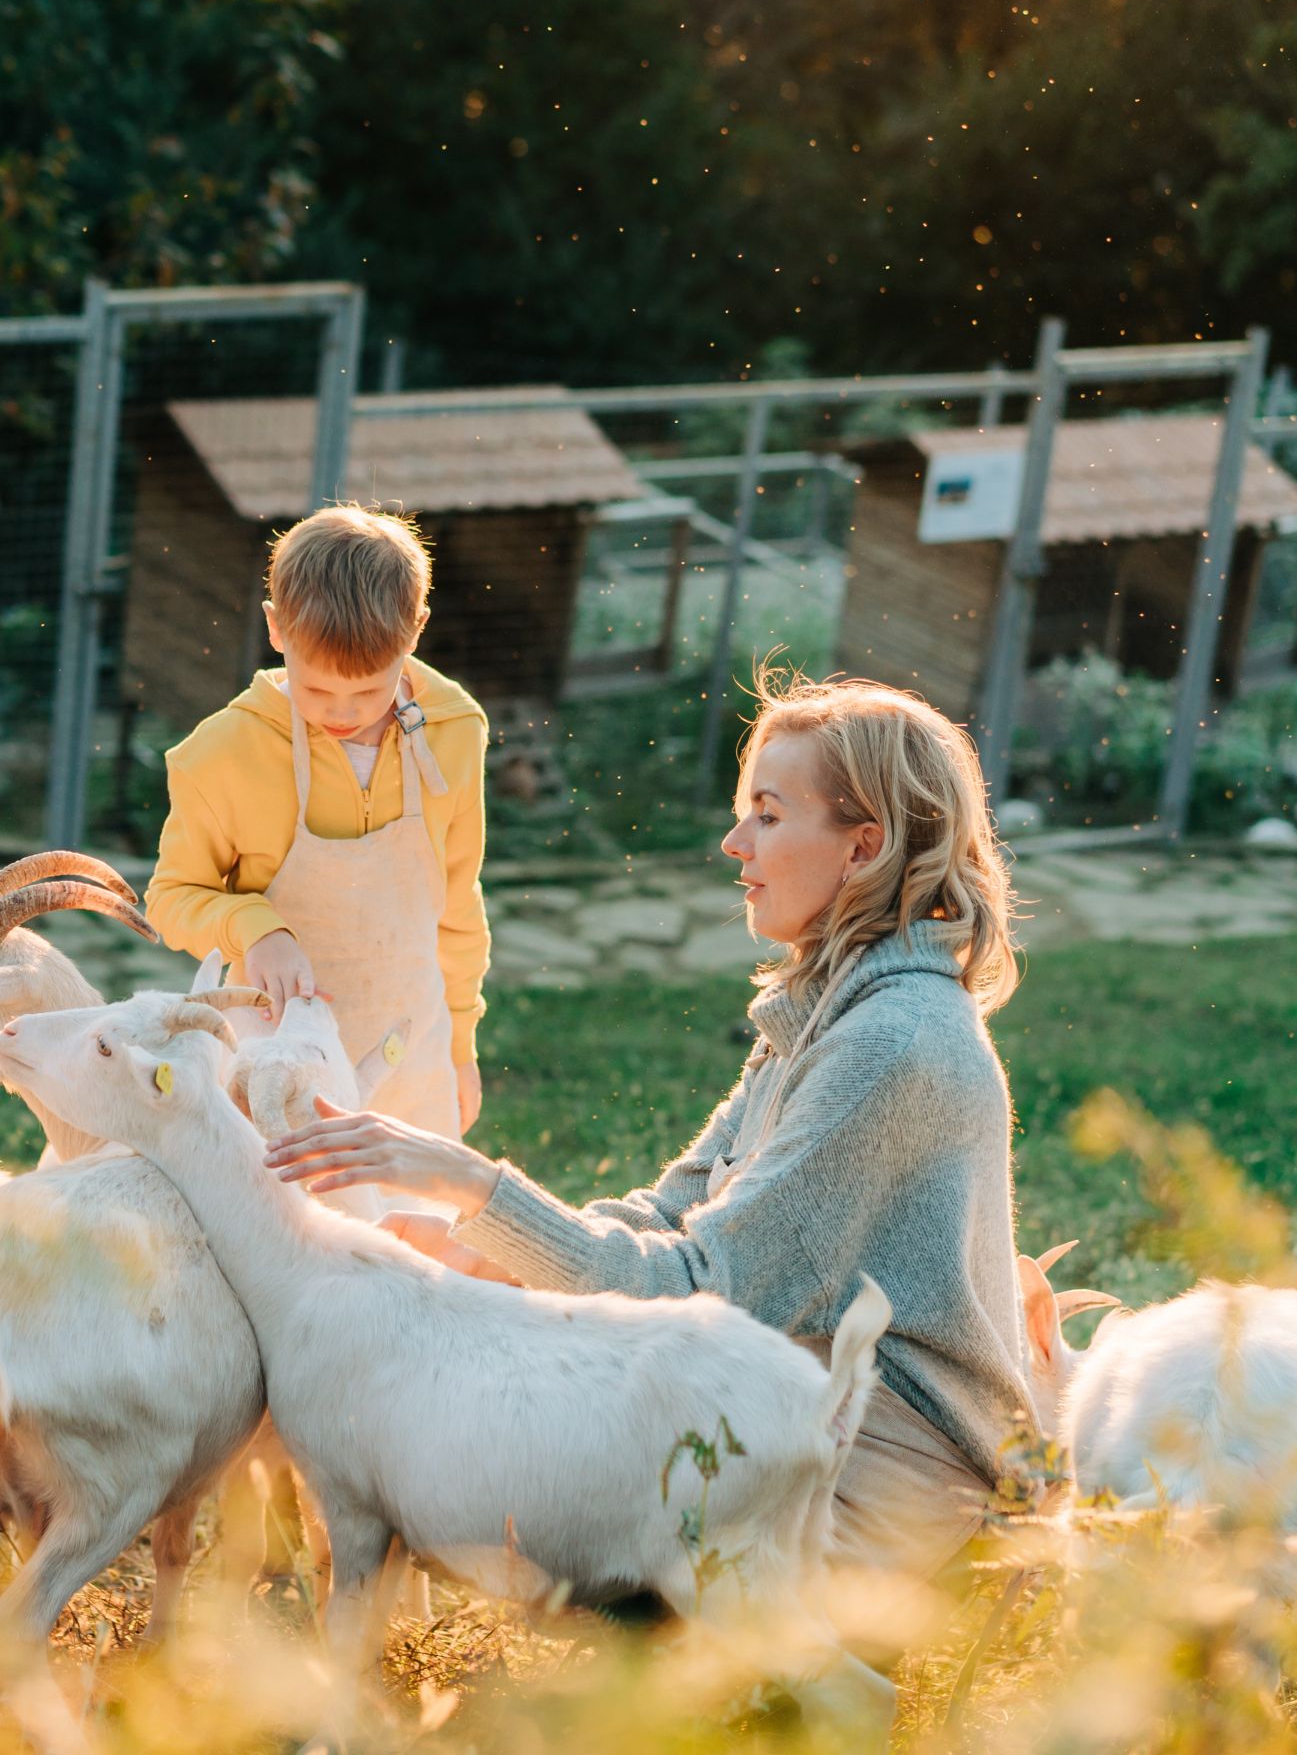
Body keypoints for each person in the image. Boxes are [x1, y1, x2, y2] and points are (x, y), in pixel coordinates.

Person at [264, 672, 1034, 1583]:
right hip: (801, 1405)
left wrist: (475, 1185)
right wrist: (486, 1248)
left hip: (897, 1472)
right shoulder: (827, 1009)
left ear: (862, 847)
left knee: (505, 1496)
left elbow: (699, 1285)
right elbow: (673, 1213)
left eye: (769, 816)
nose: (733, 841)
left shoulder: (893, 1044)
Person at [145, 504, 493, 1134]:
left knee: (403, 1225)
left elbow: (458, 905)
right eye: (316, 690)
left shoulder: (456, 731)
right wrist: (255, 927)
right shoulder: (220, 753)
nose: (342, 711)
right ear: (277, 630)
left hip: (411, 1053)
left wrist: (459, 1050)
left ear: (415, 631)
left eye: (367, 692)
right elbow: (171, 898)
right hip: (273, 1064)